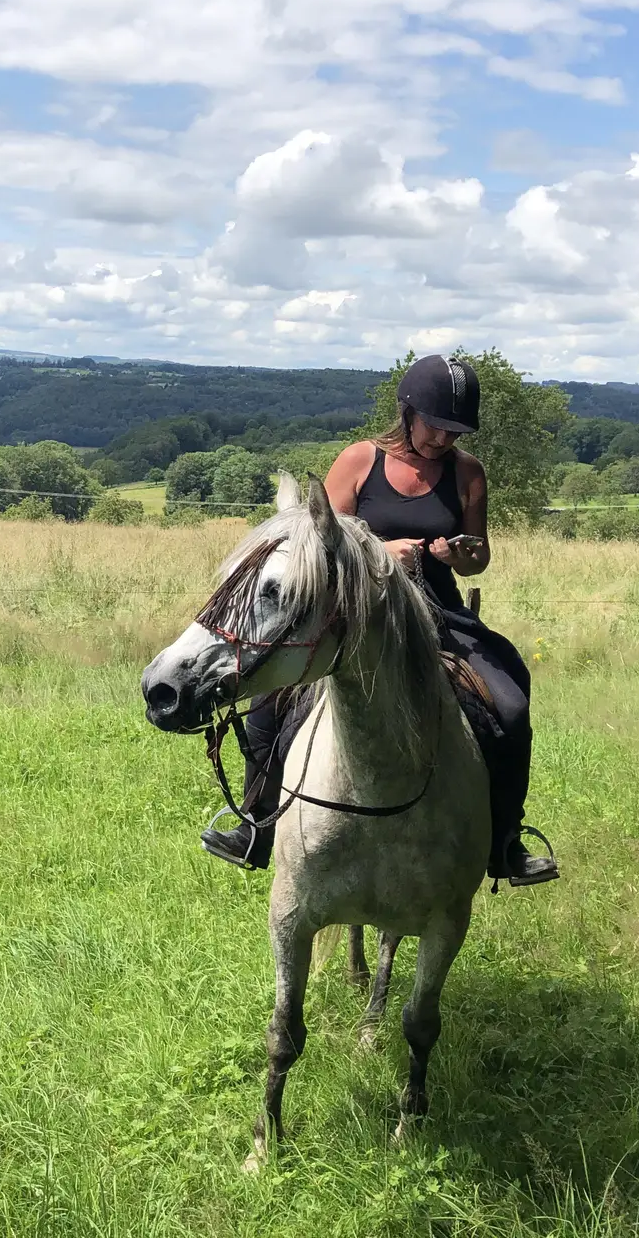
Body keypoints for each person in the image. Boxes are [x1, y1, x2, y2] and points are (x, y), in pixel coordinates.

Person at [200, 354, 559, 887]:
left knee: (509, 702)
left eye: (455, 429)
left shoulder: (467, 472)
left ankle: (505, 841)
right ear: (408, 412)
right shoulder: (359, 460)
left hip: (436, 610)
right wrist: (382, 551)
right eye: (436, 425)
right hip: (353, 611)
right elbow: (315, 544)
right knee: (269, 703)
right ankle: (256, 825)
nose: (444, 438)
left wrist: (460, 555)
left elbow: (481, 556)